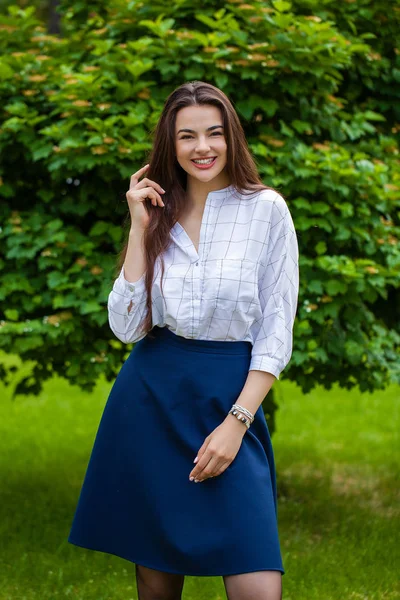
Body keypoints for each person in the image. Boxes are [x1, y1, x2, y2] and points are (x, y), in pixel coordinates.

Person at [68, 81, 299, 600]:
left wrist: (237, 423)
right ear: (169, 145)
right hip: (151, 399)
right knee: (156, 585)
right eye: (187, 136)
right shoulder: (156, 213)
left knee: (257, 585)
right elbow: (127, 326)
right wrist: (138, 226)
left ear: (231, 137)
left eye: (214, 133)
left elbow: (275, 329)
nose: (203, 147)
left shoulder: (267, 211)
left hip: (230, 397)